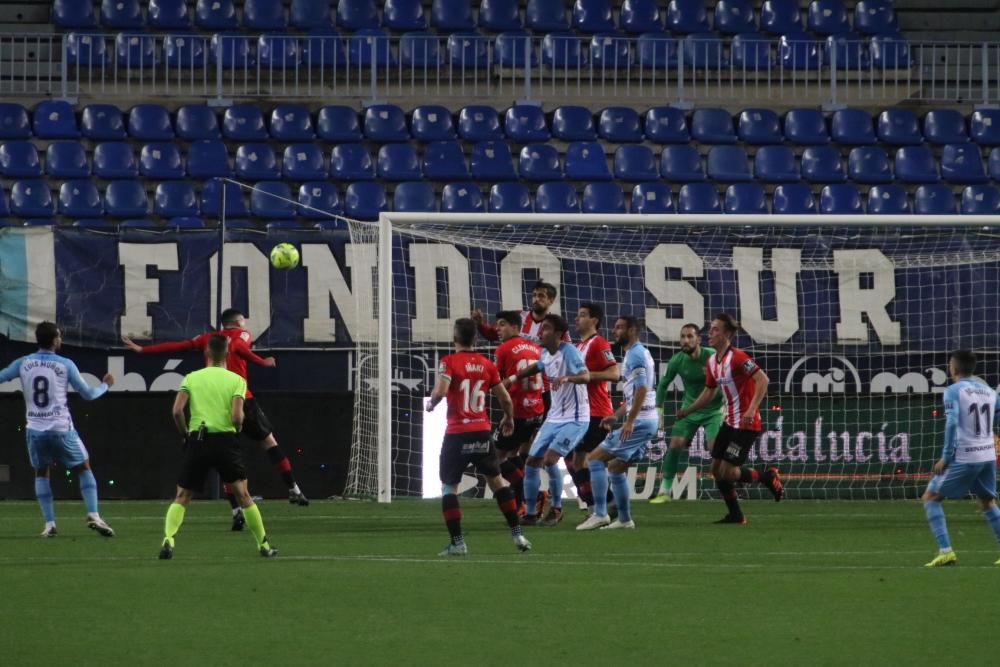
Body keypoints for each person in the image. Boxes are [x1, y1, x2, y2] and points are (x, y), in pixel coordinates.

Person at [123, 307, 308, 532]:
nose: (245, 325)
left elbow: (178, 346)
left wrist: (142, 349)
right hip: (242, 399)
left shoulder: (208, 339)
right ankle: (293, 488)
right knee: (268, 442)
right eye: (243, 321)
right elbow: (242, 348)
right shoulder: (242, 337)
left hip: (217, 403)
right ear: (238, 323)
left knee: (223, 457)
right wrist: (263, 362)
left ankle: (235, 511)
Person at [160, 334, 277, 559]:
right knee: (243, 495)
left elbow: (176, 411)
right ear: (227, 354)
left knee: (182, 496)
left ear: (206, 353)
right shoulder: (236, 380)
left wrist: (185, 434)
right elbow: (236, 417)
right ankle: (263, 546)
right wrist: (238, 429)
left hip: (198, 439)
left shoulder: (192, 378)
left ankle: (169, 539)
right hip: (225, 441)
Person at [426, 318, 531, 556]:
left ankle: (458, 543)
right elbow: (504, 397)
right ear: (476, 339)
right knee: (497, 482)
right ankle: (518, 535)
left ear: (454, 339)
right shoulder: (486, 364)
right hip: (482, 433)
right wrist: (509, 418)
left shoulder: (449, 361)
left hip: (457, 434)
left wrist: (432, 402)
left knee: (449, 488)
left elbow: (441, 391)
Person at [0, 322, 116, 538]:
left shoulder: (23, 363)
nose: (60, 340)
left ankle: (50, 524)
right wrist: (105, 385)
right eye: (59, 337)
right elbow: (88, 395)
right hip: (61, 428)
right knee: (83, 466)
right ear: (54, 340)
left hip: (35, 429)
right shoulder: (65, 364)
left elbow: (2, 376)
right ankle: (93, 514)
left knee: (41, 472)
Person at [678, 314, 783, 524]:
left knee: (728, 471)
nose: (711, 333)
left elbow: (763, 380)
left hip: (746, 424)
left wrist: (751, 409)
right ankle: (736, 514)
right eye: (711, 329)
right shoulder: (711, 361)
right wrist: (688, 410)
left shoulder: (738, 357)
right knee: (716, 470)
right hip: (729, 421)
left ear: (727, 334)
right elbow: (709, 391)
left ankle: (767, 477)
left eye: (716, 329)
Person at [577, 316, 659, 531]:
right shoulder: (637, 353)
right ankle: (624, 519)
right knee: (615, 467)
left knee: (593, 459)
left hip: (640, 422)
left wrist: (629, 422)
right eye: (614, 327)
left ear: (633, 330)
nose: (615, 331)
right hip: (647, 419)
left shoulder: (636, 354)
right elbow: (636, 394)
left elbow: (642, 389)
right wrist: (617, 415)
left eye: (619, 327)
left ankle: (600, 513)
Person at [508, 314, 590, 527]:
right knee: (532, 461)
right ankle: (531, 513)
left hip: (575, 418)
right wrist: (514, 377)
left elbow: (586, 376)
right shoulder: (545, 352)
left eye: (545, 328)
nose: (540, 332)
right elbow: (537, 366)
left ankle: (556, 508)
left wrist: (567, 378)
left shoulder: (569, 352)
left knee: (550, 459)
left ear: (557, 334)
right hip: (554, 417)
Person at [922, 350, 1000, 567]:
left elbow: (952, 422)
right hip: (987, 455)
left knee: (930, 497)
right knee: (987, 502)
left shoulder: (953, 391)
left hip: (966, 455)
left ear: (954, 368)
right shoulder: (988, 391)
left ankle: (946, 551)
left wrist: (945, 457)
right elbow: (998, 414)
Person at [650, 323, 724, 504]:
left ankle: (729, 486)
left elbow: (724, 384)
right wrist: (658, 409)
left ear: (698, 339)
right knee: (675, 444)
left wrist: (728, 407)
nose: (685, 340)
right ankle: (665, 490)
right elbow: (663, 384)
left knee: (715, 448)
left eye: (690, 336)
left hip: (714, 410)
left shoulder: (712, 357)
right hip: (689, 410)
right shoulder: (677, 360)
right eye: (682, 337)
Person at [492, 310, 545, 515]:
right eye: (497, 325)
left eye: (502, 324)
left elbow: (498, 383)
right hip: (536, 410)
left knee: (495, 458)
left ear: (516, 327)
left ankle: (533, 495)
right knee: (513, 453)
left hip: (517, 412)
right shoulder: (535, 347)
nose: (498, 329)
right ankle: (522, 502)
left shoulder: (504, 349)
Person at [572, 303, 620, 513]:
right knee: (576, 460)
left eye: (582, 315)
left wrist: (589, 376)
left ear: (594, 321)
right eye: (577, 314)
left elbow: (614, 373)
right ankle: (600, 503)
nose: (577, 319)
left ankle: (603, 505)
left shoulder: (599, 343)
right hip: (580, 412)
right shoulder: (577, 346)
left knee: (592, 461)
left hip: (597, 411)